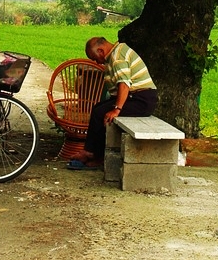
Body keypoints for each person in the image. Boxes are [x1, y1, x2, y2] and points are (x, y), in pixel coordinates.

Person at [67, 37, 158, 170]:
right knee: (98, 108)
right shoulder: (117, 52)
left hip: (141, 100)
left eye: (94, 57)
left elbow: (124, 85)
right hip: (135, 96)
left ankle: (92, 154)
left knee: (101, 113)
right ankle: (93, 152)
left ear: (100, 50)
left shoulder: (117, 58)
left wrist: (117, 109)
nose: (95, 61)